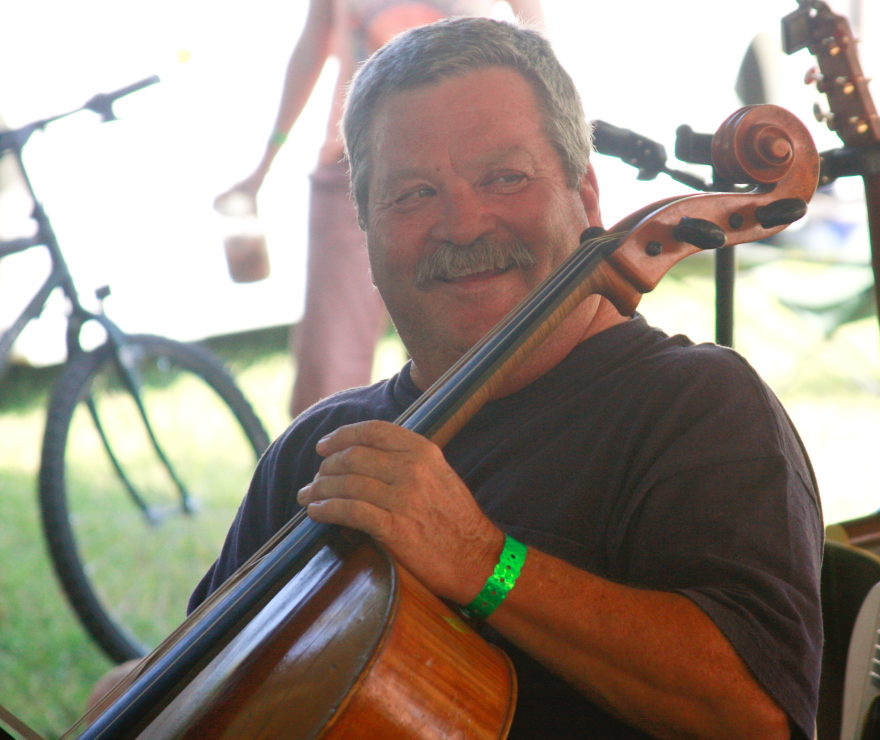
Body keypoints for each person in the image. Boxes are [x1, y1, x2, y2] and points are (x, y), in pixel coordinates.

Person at [193, 17, 823, 740]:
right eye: (413, 193)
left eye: (505, 178)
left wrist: (481, 561)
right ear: (365, 224)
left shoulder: (697, 406)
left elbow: (755, 716)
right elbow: (200, 691)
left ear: (585, 195)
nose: (462, 224)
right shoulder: (323, 449)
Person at [215, 0, 545, 418]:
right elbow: (311, 49)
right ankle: (329, 455)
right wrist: (264, 165)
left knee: (476, 350)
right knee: (329, 363)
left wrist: (552, 146)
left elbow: (536, 40)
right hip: (353, 169)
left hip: (472, 163)